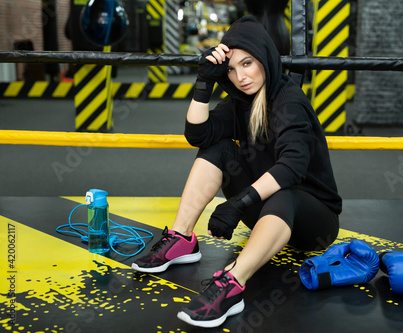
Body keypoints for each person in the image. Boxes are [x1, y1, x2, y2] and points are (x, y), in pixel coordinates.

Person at [131, 15, 342, 328]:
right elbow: (197, 135)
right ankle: (182, 239)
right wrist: (203, 83)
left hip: (312, 220)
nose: (240, 76)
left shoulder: (289, 102)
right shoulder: (239, 102)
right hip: (266, 211)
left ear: (265, 59)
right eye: (231, 69)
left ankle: (232, 284)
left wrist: (239, 202)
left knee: (284, 195)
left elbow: (292, 169)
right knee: (217, 148)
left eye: (247, 63)